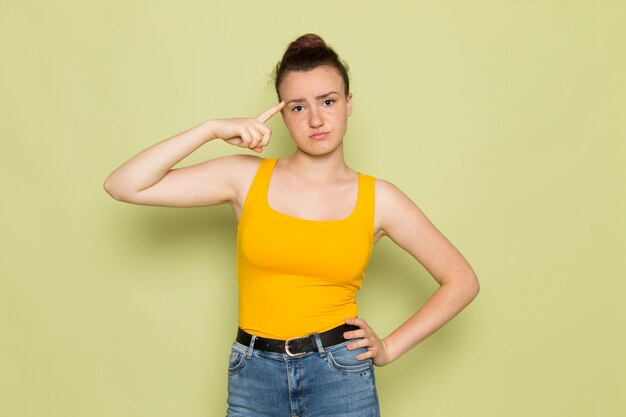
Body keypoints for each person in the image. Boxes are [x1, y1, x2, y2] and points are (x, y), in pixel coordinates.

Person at [104, 33, 479, 417]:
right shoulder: (245, 178)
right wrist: (211, 129)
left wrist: (389, 347)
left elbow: (461, 280)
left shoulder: (380, 199)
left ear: (349, 104)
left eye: (328, 102)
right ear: (283, 115)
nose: (316, 119)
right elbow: (123, 185)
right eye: (298, 107)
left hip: (340, 375)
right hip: (254, 376)